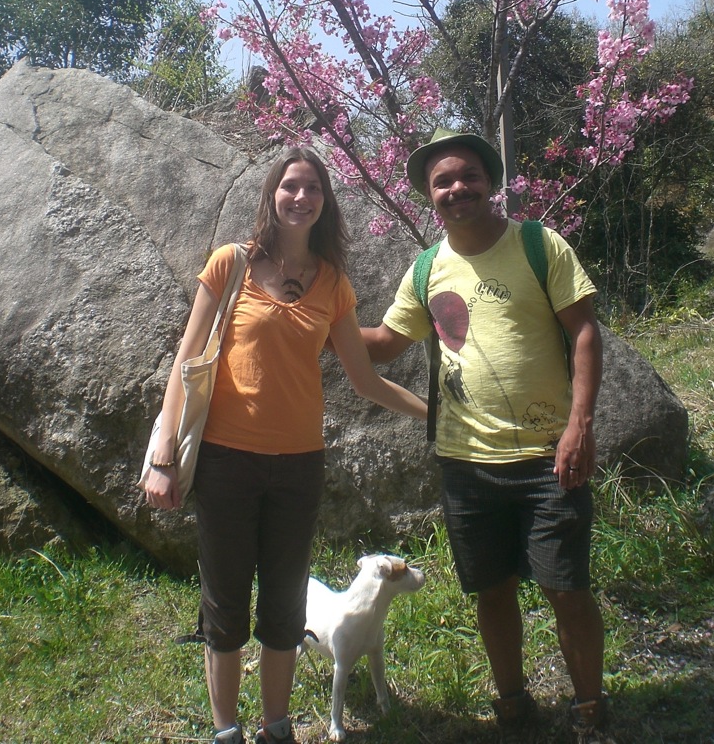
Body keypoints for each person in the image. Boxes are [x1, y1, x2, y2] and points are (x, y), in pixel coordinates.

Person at [143, 146, 427, 744]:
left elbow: (365, 379)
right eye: (291, 186)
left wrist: (435, 416)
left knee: (283, 608)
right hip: (225, 461)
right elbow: (187, 360)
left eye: (313, 189)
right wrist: (164, 456)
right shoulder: (232, 265)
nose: (301, 198)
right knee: (224, 606)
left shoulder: (332, 284)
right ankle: (227, 731)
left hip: (299, 467)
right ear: (272, 194)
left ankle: (277, 728)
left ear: (326, 203)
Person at [360, 129, 611, 744]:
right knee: (491, 591)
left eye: (468, 176)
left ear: (491, 183)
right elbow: (388, 345)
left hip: (549, 457)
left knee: (566, 588)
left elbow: (584, 332)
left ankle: (590, 711)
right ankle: (513, 705)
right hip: (465, 464)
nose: (456, 189)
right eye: (442, 181)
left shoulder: (537, 245)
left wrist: (580, 425)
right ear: (427, 195)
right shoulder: (427, 268)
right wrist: (316, 323)